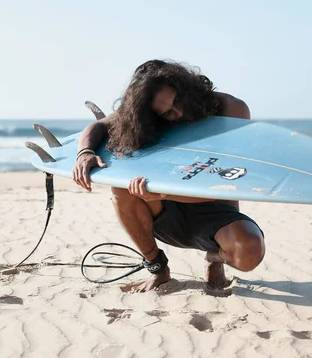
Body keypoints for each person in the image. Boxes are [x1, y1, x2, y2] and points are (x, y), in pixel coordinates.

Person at [72, 59, 265, 292]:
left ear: (187, 87)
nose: (180, 113)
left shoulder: (230, 109)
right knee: (122, 187)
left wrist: (165, 193)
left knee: (250, 252)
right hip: (162, 210)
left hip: (215, 209)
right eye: (168, 113)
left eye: (178, 101)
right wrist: (85, 153)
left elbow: (232, 178)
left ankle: (214, 259)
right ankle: (158, 269)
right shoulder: (149, 118)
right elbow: (100, 126)